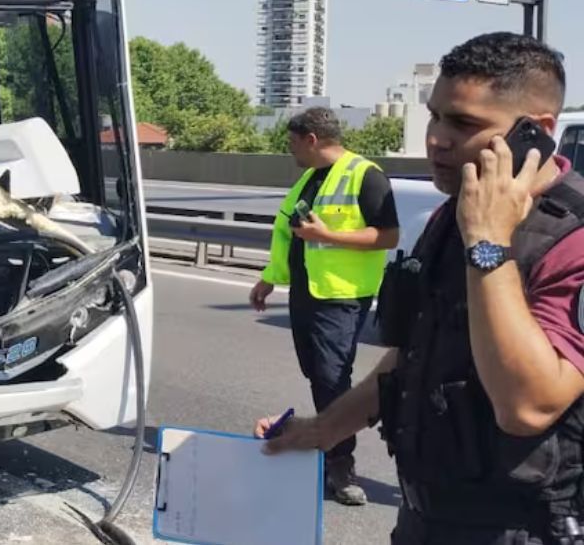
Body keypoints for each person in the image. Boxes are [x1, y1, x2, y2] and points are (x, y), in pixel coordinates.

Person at [256, 32, 584, 544]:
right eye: (435, 116)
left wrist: (490, 243)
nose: (437, 138)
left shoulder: (572, 236)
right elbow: (412, 354)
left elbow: (527, 408)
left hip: (524, 530)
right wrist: (323, 431)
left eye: (465, 123)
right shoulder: (452, 215)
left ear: (536, 132)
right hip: (426, 520)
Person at [250, 106, 400, 506]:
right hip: (306, 292)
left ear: (311, 139)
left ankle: (340, 467)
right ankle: (326, 452)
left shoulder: (365, 175)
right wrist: (269, 279)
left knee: (332, 378)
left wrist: (328, 235)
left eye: (293, 143)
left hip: (340, 295)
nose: (291, 150)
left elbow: (388, 236)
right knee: (319, 375)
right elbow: (290, 236)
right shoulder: (308, 179)